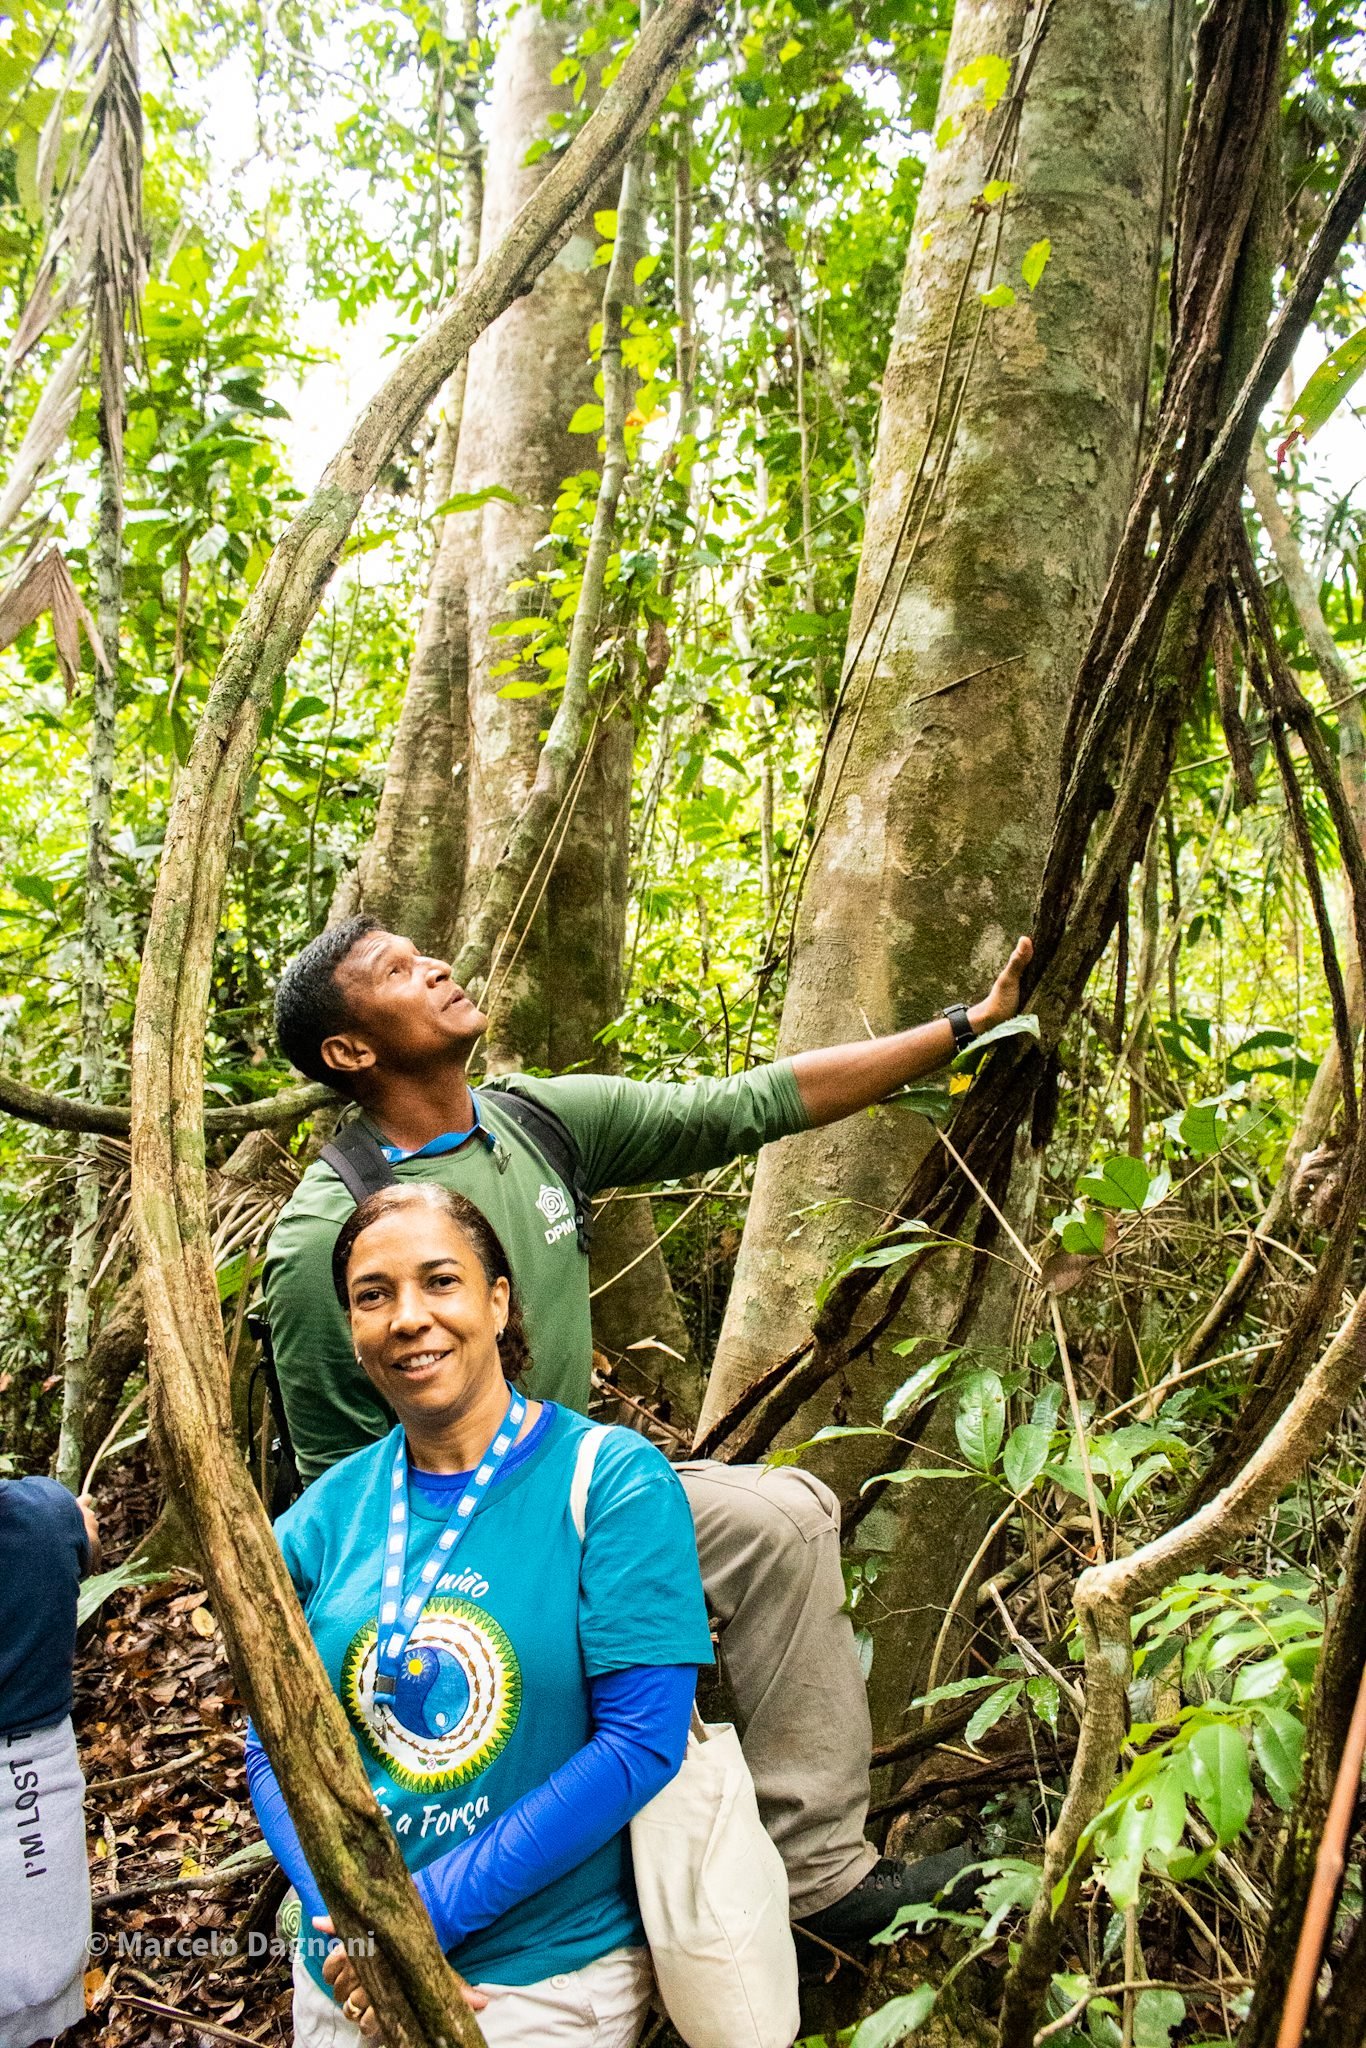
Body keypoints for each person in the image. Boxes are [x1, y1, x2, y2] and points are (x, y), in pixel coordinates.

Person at [263, 917, 1033, 1945]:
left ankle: (819, 1875)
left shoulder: (534, 1124)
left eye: (423, 952)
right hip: (441, 1548)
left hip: (579, 1487)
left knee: (782, 1520)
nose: (437, 967)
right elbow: (337, 1504)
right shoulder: (327, 1236)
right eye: (398, 971)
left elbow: (747, 1103)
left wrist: (965, 1026)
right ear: (350, 1049)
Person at [246, 1185, 711, 2045]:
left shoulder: (611, 1482)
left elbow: (641, 1741)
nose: (408, 1318)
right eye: (374, 1295)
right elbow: (271, 1744)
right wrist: (353, 1923)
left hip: (538, 1981)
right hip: (346, 1977)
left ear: (497, 1303)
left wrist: (423, 1916)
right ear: (352, 1329)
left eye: (440, 1281)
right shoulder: (320, 1518)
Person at [0, 1475, 101, 2048]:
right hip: (33, 1776)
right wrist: (73, 1520)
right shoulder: (44, 1513)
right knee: (40, 1978)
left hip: (29, 1780)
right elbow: (87, 1548)